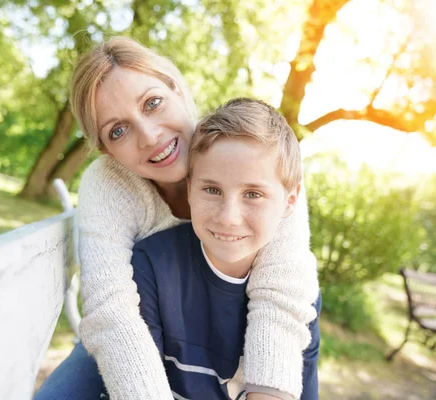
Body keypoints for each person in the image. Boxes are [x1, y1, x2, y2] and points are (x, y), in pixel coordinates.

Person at [35, 36, 319, 400]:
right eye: (118, 130)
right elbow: (111, 311)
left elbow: (282, 287)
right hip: (133, 335)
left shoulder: (252, 152)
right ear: (106, 150)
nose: (150, 136)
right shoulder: (108, 186)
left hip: (239, 325)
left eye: (153, 103)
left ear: (177, 88)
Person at [131, 98, 320, 400]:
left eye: (253, 194)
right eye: (212, 190)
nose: (228, 217)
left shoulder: (296, 287)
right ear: (190, 188)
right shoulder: (151, 265)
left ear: (290, 201)